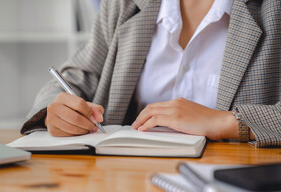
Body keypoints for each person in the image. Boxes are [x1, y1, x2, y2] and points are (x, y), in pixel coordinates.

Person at [21, 0, 281, 147]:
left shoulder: (272, 9)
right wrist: (54, 111)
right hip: (127, 182)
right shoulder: (123, 5)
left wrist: (226, 123)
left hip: (236, 185)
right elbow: (77, 77)